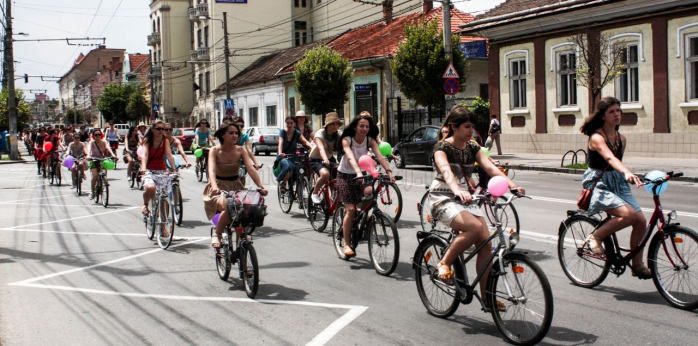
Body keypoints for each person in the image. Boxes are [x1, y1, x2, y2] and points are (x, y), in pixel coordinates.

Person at [428, 106, 523, 310]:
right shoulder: (441, 148)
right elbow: (446, 172)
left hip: (466, 197)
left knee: (486, 244)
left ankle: (487, 297)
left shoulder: (472, 146)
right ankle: (444, 263)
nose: (471, 130)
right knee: (474, 228)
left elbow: (489, 166)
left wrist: (512, 186)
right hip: (442, 197)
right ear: (454, 127)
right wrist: (457, 189)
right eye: (467, 126)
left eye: (472, 126)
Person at [580, 96, 648, 278]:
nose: (617, 114)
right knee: (629, 215)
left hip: (617, 181)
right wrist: (627, 172)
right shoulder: (596, 137)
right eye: (612, 112)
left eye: (618, 110)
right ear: (603, 116)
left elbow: (617, 163)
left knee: (641, 222)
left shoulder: (622, 139)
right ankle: (595, 236)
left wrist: (628, 175)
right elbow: (610, 158)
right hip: (599, 183)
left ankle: (637, 264)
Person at [336, 113, 394, 256]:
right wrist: (358, 172)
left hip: (362, 174)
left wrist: (388, 171)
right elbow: (350, 156)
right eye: (361, 126)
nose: (364, 129)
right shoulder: (347, 139)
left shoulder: (370, 140)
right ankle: (347, 244)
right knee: (350, 210)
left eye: (367, 126)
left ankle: (362, 216)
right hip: (346, 175)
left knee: (369, 192)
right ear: (355, 127)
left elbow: (379, 156)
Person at [203, 123, 268, 248]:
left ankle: (242, 253)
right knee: (230, 205)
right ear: (223, 134)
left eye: (236, 133)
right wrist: (215, 187)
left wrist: (260, 187)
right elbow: (211, 170)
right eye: (231, 133)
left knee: (246, 209)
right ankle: (217, 233)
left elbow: (250, 168)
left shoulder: (240, 150)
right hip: (218, 187)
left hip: (236, 185)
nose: (234, 135)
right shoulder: (215, 150)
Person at [139, 121, 177, 224]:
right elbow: (145, 155)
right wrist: (143, 167)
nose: (161, 131)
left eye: (163, 129)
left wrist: (174, 170)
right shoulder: (147, 140)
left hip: (162, 170)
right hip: (149, 170)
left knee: (164, 199)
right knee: (150, 188)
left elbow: (169, 156)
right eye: (158, 129)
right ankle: (145, 204)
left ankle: (163, 225)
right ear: (152, 129)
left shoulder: (165, 140)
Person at [309, 113, 342, 204]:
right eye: (332, 124)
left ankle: (333, 203)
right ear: (327, 125)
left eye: (337, 124)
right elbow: (321, 148)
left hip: (330, 158)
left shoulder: (339, 134)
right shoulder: (320, 133)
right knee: (325, 174)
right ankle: (315, 193)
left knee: (336, 183)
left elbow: (346, 146)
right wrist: (325, 159)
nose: (335, 126)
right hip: (317, 158)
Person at [277, 116, 312, 191]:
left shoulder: (297, 133)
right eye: (287, 123)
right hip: (284, 155)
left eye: (291, 123)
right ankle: (283, 183)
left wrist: (312, 148)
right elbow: (280, 143)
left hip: (293, 155)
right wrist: (280, 153)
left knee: (300, 170)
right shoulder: (282, 132)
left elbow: (305, 141)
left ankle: (301, 200)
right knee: (290, 167)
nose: (289, 125)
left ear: (294, 124)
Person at [86, 129, 116, 199]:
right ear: (93, 136)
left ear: (101, 135)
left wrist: (113, 155)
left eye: (99, 134)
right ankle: (92, 191)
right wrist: (88, 156)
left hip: (102, 159)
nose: (98, 136)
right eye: (96, 135)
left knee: (104, 172)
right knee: (95, 175)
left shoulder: (104, 142)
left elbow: (108, 148)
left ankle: (103, 182)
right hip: (93, 159)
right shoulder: (92, 142)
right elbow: (89, 149)